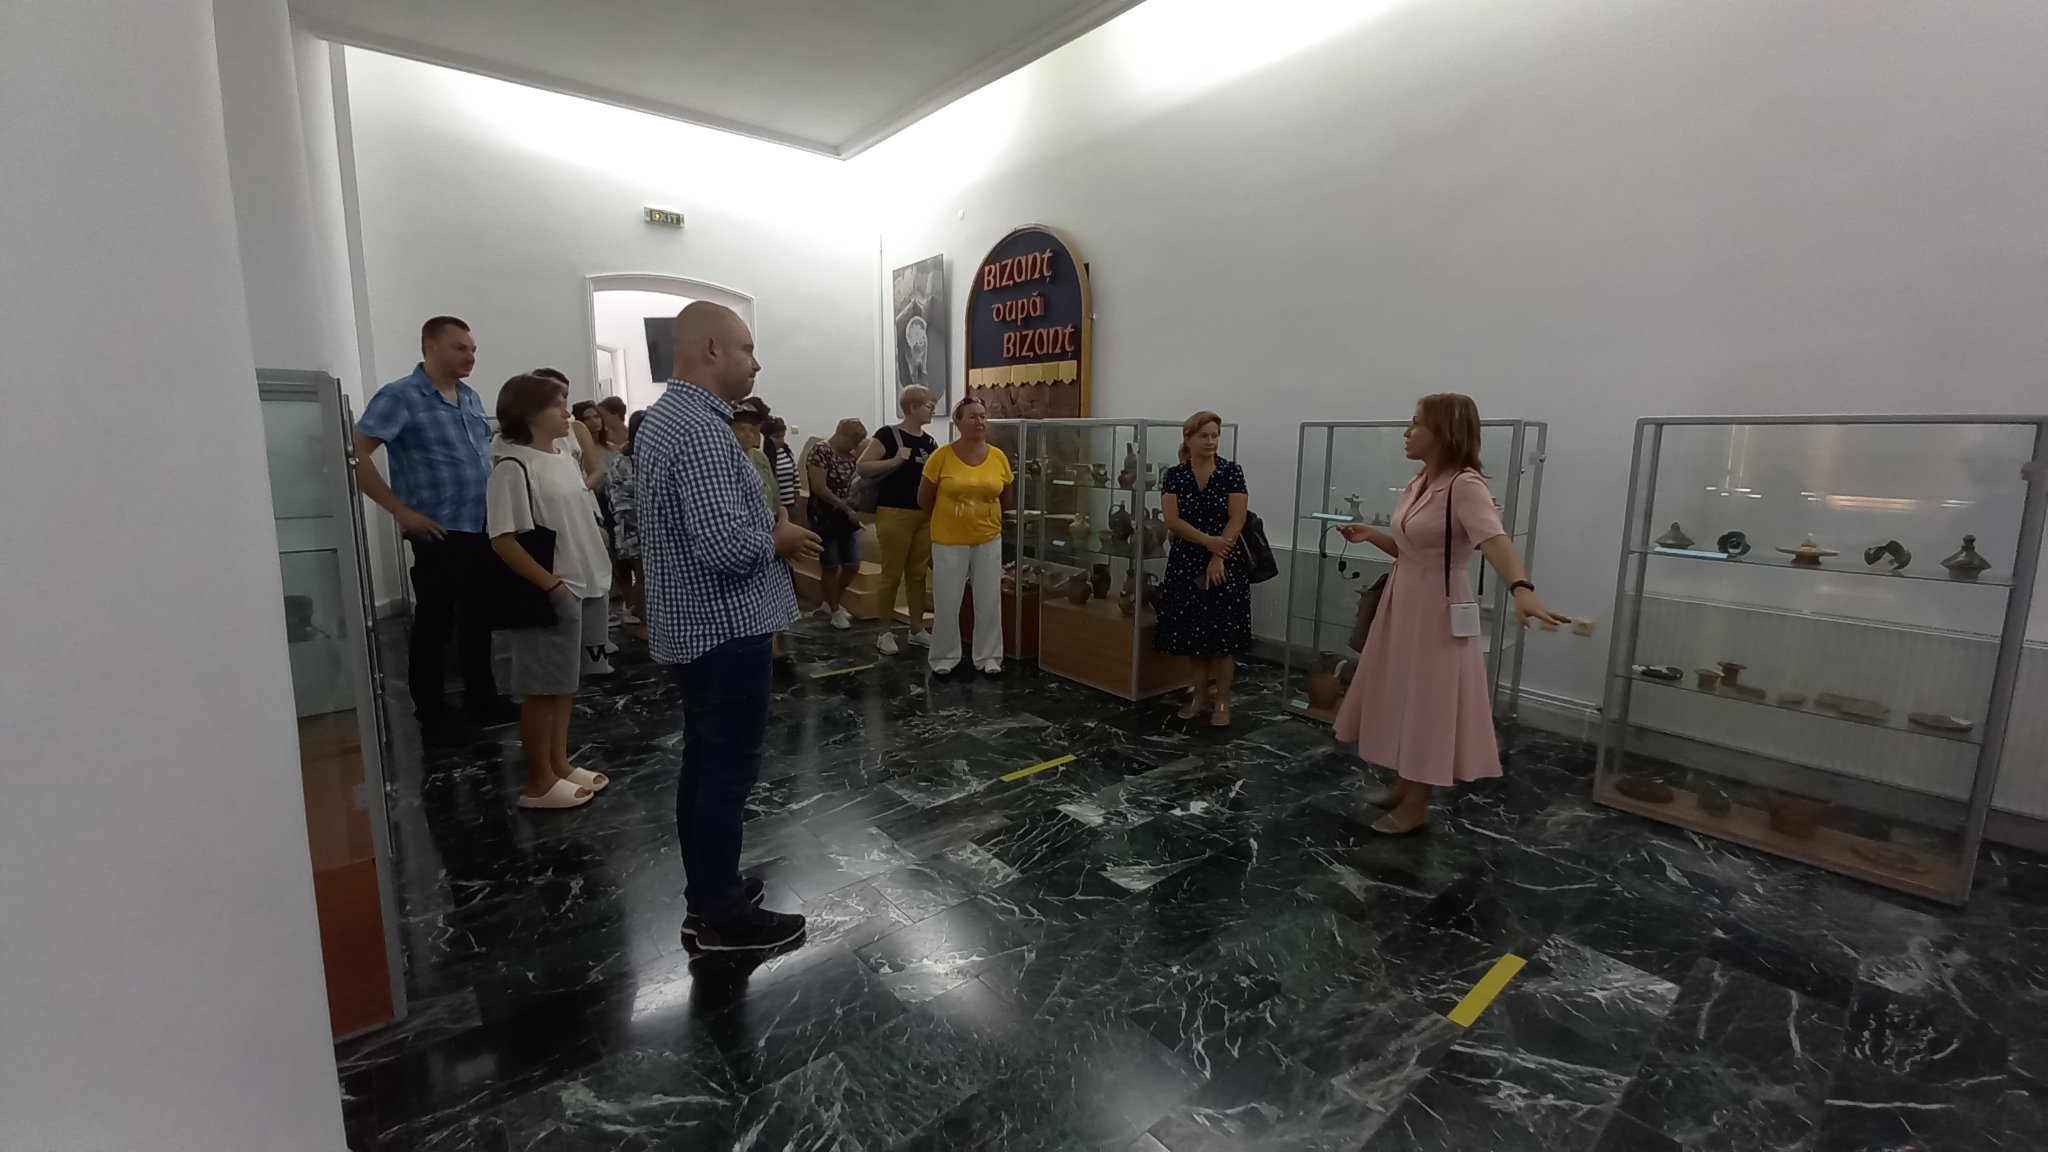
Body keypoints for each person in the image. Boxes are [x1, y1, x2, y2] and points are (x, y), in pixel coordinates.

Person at [638, 300, 819, 952]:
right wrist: (781, 537)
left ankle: (712, 890)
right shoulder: (703, 432)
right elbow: (724, 548)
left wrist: (765, 526)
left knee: (704, 763)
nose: (756, 362)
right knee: (724, 772)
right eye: (746, 348)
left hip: (695, 628)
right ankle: (718, 914)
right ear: (711, 349)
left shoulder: (667, 418)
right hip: (724, 630)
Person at [1333, 393, 1569, 834]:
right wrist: (1372, 535)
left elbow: (1493, 539)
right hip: (1404, 600)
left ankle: (1417, 803)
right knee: (1403, 693)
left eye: (1416, 424)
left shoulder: (1465, 485)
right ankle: (1406, 783)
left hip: (1437, 607)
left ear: (1443, 431)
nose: (1407, 433)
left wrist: (1521, 588)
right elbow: (1413, 549)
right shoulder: (1420, 481)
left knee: (1428, 702)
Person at [354, 316, 516, 739]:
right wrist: (400, 510)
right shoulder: (399, 396)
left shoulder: (469, 397)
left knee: (479, 618)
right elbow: (356, 454)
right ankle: (432, 712)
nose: (470, 356)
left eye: (473, 349)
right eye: (460, 347)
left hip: (481, 524)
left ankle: (482, 697)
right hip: (439, 529)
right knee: (436, 622)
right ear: (430, 347)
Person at [485, 374, 614, 809]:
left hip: (578, 582)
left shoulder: (559, 456)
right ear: (529, 413)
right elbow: (503, 539)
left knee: (562, 685)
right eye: (558, 404)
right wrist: (552, 585)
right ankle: (539, 782)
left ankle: (559, 764)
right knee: (541, 690)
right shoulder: (512, 466)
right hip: (551, 588)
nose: (567, 412)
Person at [1156, 411, 1251, 726]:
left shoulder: (1231, 471)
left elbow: (1238, 517)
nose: (1211, 441)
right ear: (1188, 439)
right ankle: (1198, 696)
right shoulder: (1175, 475)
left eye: (1215, 435)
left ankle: (1222, 701)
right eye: (1204, 436)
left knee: (1223, 639)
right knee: (1192, 637)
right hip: (1186, 561)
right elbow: (1172, 520)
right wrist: (1207, 541)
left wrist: (1218, 554)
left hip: (1225, 560)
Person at [919, 396, 1012, 676]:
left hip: (988, 538)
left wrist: (990, 518)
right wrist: (949, 518)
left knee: (989, 600)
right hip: (949, 540)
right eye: (972, 416)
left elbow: (1006, 496)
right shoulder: (941, 456)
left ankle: (989, 656)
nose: (979, 421)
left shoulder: (998, 456)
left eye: (982, 416)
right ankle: (944, 657)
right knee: (947, 601)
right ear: (958, 422)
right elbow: (924, 498)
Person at [859, 385, 938, 654]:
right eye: (929, 406)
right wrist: (894, 461)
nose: (933, 410)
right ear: (912, 408)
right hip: (894, 512)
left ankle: (916, 628)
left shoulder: (929, 442)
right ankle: (884, 631)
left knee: (918, 574)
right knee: (891, 574)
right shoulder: (888, 435)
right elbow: (863, 465)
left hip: (923, 514)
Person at [807, 418, 868, 629]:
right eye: (853, 441)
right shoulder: (820, 451)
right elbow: (819, 487)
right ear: (842, 435)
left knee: (852, 563)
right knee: (831, 564)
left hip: (846, 515)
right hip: (825, 515)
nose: (854, 447)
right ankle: (834, 609)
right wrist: (845, 507)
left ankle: (832, 600)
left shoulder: (850, 456)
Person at [609, 410, 646, 635]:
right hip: (634, 527)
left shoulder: (625, 458)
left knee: (645, 577)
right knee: (643, 577)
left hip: (632, 526)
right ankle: (645, 624)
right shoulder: (628, 460)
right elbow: (628, 499)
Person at [761, 416, 800, 525]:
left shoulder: (786, 452)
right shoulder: (762, 456)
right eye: (776, 437)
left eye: (783, 436)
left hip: (790, 505)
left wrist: (796, 501)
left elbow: (796, 479)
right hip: (773, 508)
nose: (781, 440)